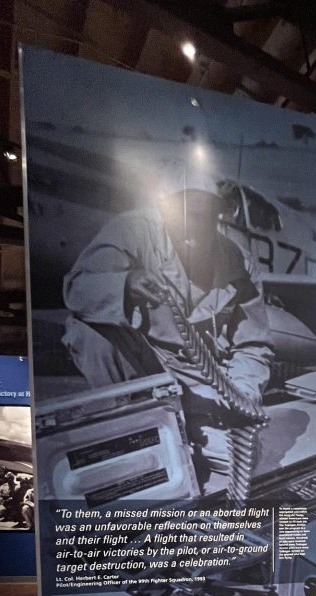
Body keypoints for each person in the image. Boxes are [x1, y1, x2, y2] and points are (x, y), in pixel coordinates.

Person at [61, 162, 274, 488]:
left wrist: (243, 395)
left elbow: (252, 343)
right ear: (162, 209)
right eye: (182, 211)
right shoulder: (132, 230)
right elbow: (77, 290)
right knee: (86, 330)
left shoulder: (238, 260)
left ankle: (183, 436)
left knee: (241, 466)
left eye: (203, 214)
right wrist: (125, 284)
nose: (192, 224)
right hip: (142, 370)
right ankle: (124, 427)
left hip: (204, 381)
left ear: (218, 215)